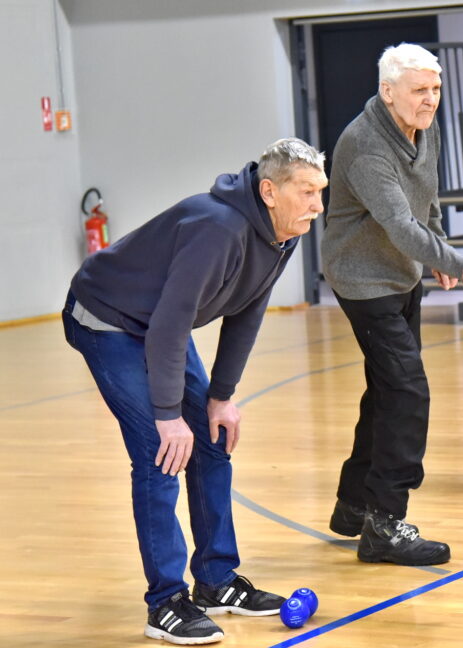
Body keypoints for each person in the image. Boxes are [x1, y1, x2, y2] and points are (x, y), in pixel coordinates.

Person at [62, 138, 329, 644]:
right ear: (269, 191)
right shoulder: (218, 228)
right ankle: (164, 602)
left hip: (157, 323)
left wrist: (221, 396)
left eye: (321, 192)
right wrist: (167, 415)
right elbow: (170, 322)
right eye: (307, 192)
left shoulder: (282, 233)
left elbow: (246, 312)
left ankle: (216, 581)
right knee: (161, 450)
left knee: (211, 437)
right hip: (106, 318)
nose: (318, 206)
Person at [321, 43, 463, 566]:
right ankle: (384, 525)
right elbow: (399, 224)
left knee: (387, 388)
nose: (431, 100)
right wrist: (458, 262)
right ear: (388, 92)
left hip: (401, 274)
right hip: (362, 279)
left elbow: (425, 202)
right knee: (407, 392)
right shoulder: (363, 145)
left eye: (436, 89)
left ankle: (353, 505)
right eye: (420, 90)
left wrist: (439, 252)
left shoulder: (423, 129)